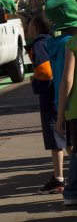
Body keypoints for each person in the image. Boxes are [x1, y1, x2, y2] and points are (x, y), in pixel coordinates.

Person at [26, 15, 69, 194]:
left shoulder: (38, 44)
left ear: (35, 28)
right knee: (66, 136)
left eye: (29, 26)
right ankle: (60, 176)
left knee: (56, 138)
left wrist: (35, 81)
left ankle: (58, 178)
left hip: (49, 96)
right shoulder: (53, 41)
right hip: (59, 94)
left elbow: (45, 71)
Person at [52, 0, 77, 206]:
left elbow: (66, 81)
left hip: (74, 108)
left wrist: (60, 114)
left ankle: (71, 192)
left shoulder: (71, 45)